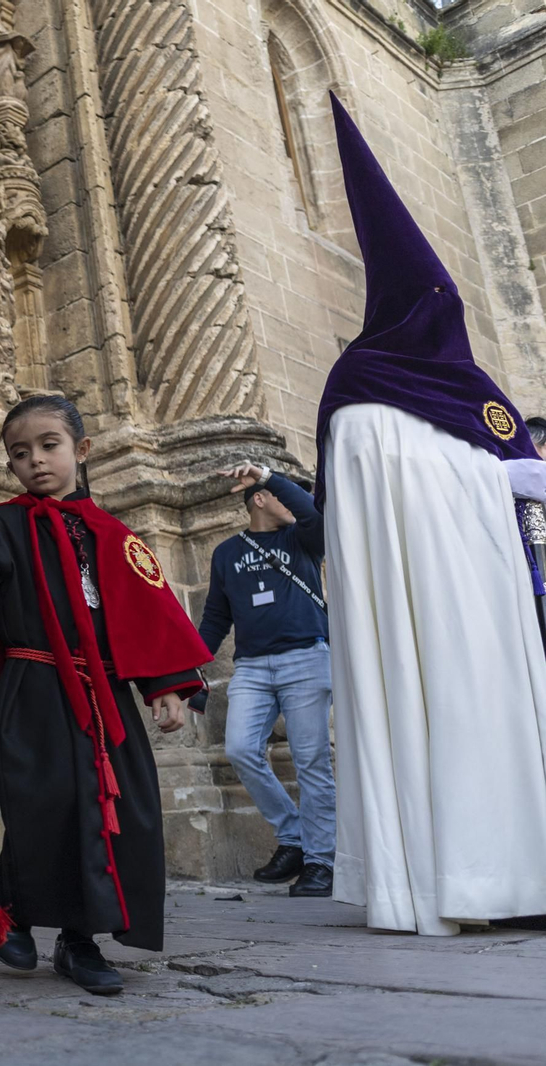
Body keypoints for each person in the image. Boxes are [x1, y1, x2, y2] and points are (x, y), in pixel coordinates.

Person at [317, 95, 546, 936]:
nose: (448, 311)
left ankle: (521, 876)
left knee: (499, 721)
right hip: (415, 610)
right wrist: (501, 480)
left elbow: (500, 469)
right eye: (433, 300)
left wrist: (514, 479)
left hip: (494, 606)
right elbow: (375, 511)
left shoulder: (471, 395)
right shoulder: (360, 394)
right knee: (432, 720)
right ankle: (449, 883)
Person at [0, 395, 209, 995]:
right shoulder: (2, 525)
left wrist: (166, 686)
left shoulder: (115, 535)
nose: (35, 460)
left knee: (117, 812)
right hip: (34, 688)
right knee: (44, 803)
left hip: (106, 695)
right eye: (19, 453)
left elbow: (148, 612)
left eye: (48, 445)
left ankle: (76, 941)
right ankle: (15, 911)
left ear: (81, 450)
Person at [195, 462, 334, 899]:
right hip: (252, 668)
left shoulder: (304, 539)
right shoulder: (226, 553)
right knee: (240, 748)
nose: (297, 502)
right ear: (257, 500)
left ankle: (321, 861)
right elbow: (215, 617)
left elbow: (313, 513)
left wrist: (270, 477)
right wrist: (191, 664)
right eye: (279, 494)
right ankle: (294, 838)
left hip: (306, 659)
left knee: (311, 760)